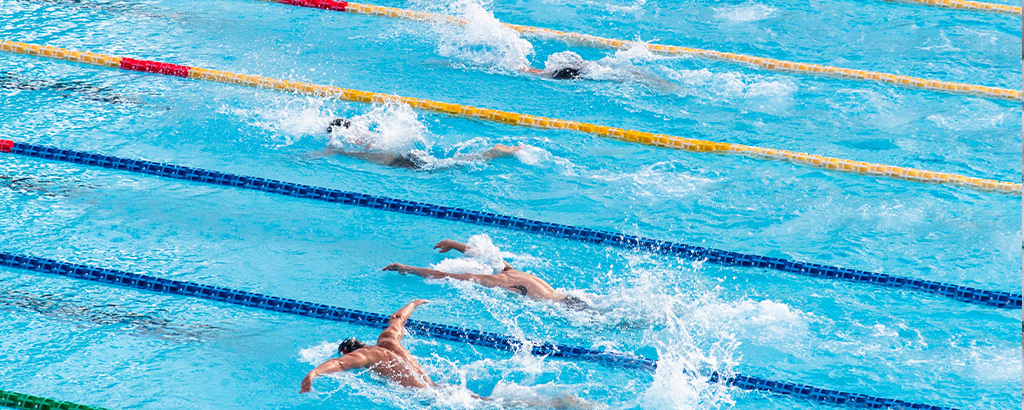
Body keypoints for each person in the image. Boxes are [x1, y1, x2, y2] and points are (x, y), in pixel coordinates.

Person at [383, 239, 591, 310]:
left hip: (561, 308)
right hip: (570, 298)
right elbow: (486, 254)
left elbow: (442, 275)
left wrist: (407, 268)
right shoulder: (512, 270)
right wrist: (454, 244)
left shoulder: (492, 280)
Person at [300, 299, 447, 393]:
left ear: (350, 353)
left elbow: (339, 363)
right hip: (441, 390)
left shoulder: (366, 356)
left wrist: (314, 373)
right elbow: (397, 318)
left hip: (426, 399)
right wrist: (414, 303)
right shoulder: (387, 340)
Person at [323, 118, 523, 170]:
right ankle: (490, 153)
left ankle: (493, 153)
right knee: (448, 162)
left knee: (448, 165)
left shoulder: (352, 145)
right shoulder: (366, 136)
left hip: (398, 160)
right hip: (403, 155)